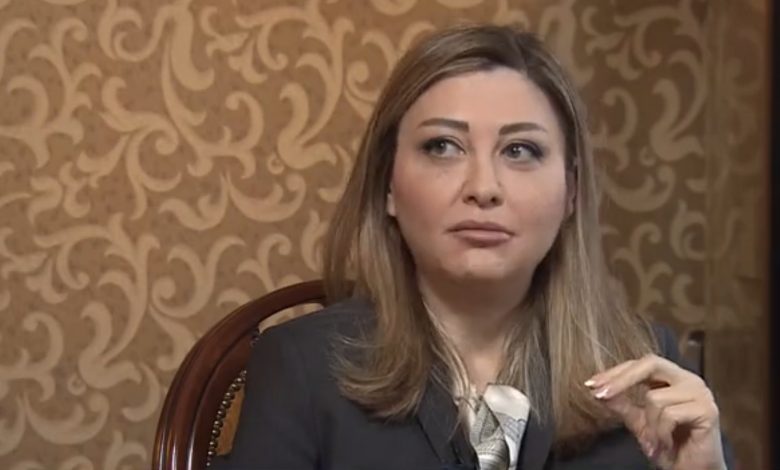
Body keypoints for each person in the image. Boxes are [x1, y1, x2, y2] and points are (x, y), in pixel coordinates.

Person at [213, 24, 732, 470]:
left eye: (520, 150)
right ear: (388, 184)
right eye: (443, 146)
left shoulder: (647, 370)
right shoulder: (300, 367)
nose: (483, 187)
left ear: (571, 191)